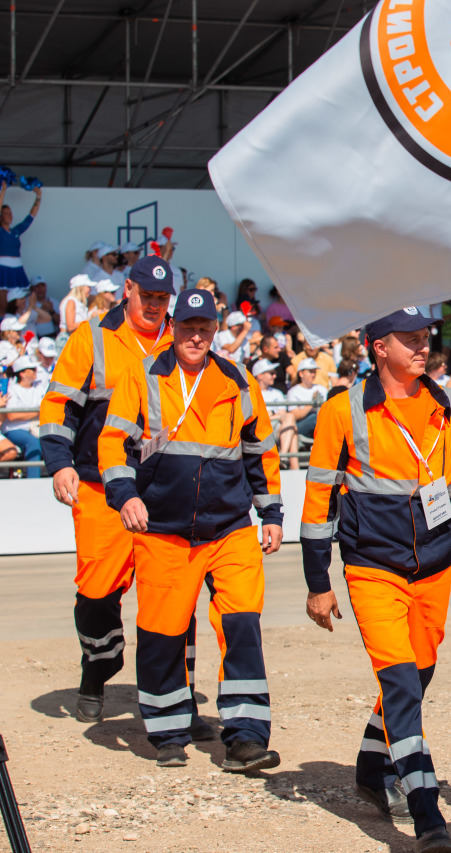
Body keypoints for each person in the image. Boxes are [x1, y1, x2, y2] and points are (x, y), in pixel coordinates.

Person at [302, 307, 451, 853]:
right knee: (399, 682)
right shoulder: (342, 412)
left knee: (417, 677)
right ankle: (426, 815)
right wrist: (317, 581)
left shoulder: (449, 405)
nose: (422, 347)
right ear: (378, 347)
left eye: (425, 338)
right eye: (409, 339)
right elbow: (316, 503)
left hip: (436, 567)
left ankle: (370, 766)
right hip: (372, 567)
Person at [98, 288, 284, 771]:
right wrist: (126, 496)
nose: (196, 336)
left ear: (215, 332)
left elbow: (259, 450)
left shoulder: (237, 380)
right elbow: (113, 444)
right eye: (187, 327)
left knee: (242, 626)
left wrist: (272, 514)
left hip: (229, 529)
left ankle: (246, 737)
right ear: (173, 328)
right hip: (163, 530)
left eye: (204, 329)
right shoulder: (142, 376)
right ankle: (167, 730)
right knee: (162, 632)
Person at [38, 256, 213, 732]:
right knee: (96, 593)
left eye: (163, 299)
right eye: (147, 296)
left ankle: (177, 702)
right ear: (127, 292)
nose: (155, 305)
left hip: (166, 493)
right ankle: (98, 666)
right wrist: (59, 465)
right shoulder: (91, 338)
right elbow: (58, 407)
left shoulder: (184, 340)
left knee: (174, 597)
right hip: (100, 487)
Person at [2, 355, 45, 477]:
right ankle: (33, 480)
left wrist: (29, 414)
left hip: (35, 427)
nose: (35, 371)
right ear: (22, 373)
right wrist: (37, 412)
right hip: (14, 429)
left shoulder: (39, 387)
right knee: (33, 443)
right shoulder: (12, 389)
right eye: (31, 369)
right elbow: (11, 416)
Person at [0, 181, 41, 303]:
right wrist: (3, 190)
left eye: (10, 213)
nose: (9, 215)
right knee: (2, 304)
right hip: (2, 269)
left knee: (17, 303)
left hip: (17, 269)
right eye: (6, 213)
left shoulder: (16, 231)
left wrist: (38, 196)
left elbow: (30, 217)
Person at [285, 357, 326, 440]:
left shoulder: (322, 389)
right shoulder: (293, 391)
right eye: (310, 372)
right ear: (301, 373)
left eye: (314, 372)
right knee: (314, 418)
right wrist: (311, 404)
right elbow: (295, 416)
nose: (313, 374)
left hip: (320, 423)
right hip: (301, 426)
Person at [60, 274, 94, 340]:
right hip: (67, 340)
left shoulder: (76, 302)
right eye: (88, 287)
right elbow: (70, 327)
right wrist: (90, 319)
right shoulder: (71, 302)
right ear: (80, 287)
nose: (90, 289)